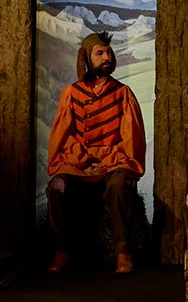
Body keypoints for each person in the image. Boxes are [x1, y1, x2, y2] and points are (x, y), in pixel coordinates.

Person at [46, 32, 147, 274]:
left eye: (108, 52)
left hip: (112, 163)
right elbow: (64, 136)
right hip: (79, 164)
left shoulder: (122, 93)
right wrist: (84, 160)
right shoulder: (72, 93)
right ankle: (62, 250)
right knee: (58, 186)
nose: (106, 57)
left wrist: (109, 161)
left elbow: (130, 138)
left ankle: (123, 252)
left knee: (119, 185)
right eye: (99, 53)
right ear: (86, 58)